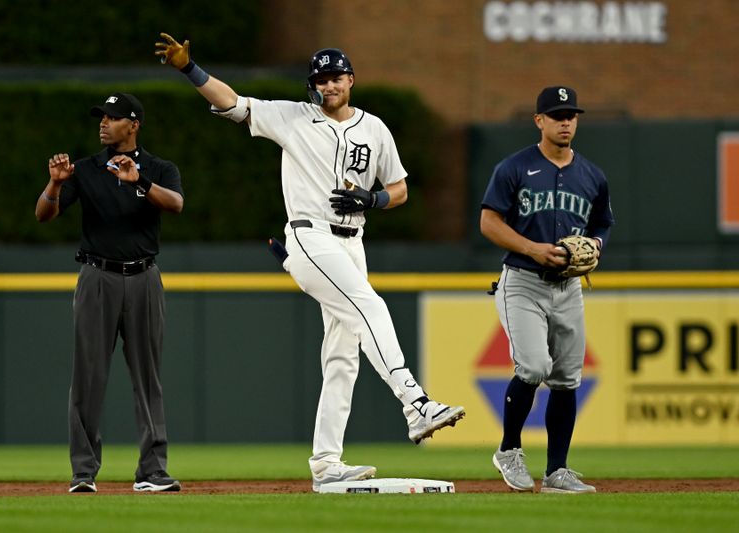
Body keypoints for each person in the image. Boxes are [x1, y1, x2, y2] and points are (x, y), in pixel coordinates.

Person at [155, 33, 465, 491]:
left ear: (351, 80)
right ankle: (415, 403)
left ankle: (325, 461)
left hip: (352, 242)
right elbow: (235, 104)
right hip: (310, 235)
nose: (329, 85)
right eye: (320, 78)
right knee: (370, 307)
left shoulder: (375, 128)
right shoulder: (292, 117)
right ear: (312, 85)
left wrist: (373, 197)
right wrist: (189, 68)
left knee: (343, 355)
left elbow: (399, 189)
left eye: (336, 76)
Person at [35, 92, 185, 493]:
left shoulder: (158, 168)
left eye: (113, 117)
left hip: (144, 278)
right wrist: (53, 184)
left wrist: (141, 181)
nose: (103, 123)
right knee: (88, 376)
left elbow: (175, 204)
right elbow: (43, 214)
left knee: (147, 378)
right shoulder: (84, 170)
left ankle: (152, 471)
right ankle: (83, 472)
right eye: (101, 117)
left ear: (133, 125)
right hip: (96, 277)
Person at [480, 86, 615, 493]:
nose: (565, 122)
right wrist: (531, 248)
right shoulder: (514, 168)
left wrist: (596, 245)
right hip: (522, 282)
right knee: (534, 366)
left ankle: (557, 470)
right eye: (556, 115)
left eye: (571, 115)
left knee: (567, 378)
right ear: (539, 120)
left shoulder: (592, 175)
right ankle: (509, 450)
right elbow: (489, 222)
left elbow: (602, 224)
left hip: (569, 287)